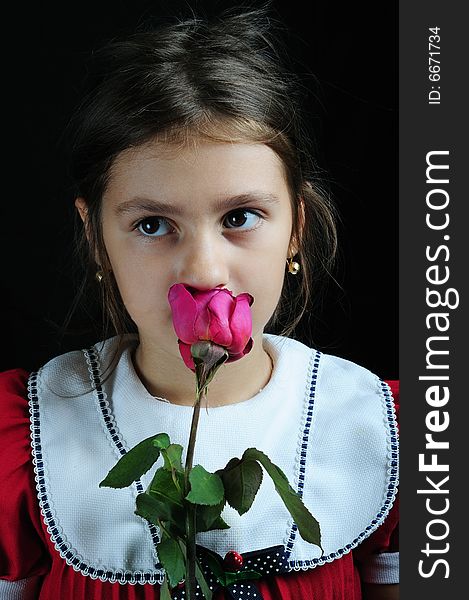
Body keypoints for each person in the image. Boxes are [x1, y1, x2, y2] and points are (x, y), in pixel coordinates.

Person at [0, 5, 399, 599]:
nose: (205, 272)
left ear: (297, 229)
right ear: (96, 239)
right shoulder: (29, 439)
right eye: (154, 224)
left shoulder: (373, 424)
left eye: (240, 217)